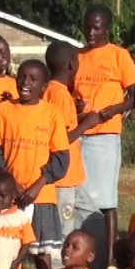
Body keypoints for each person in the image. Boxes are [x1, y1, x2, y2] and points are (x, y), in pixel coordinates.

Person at [0, 59, 70, 269]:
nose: (25, 82)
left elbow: (60, 158)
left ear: (43, 86)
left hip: (40, 196)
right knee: (6, 247)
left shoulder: (52, 114)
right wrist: (11, 183)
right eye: (21, 76)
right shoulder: (4, 110)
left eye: (32, 79)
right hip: (9, 196)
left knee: (41, 253)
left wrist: (37, 186)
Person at [73, 3, 135, 269]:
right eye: (87, 27)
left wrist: (112, 110)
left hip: (105, 135)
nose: (91, 32)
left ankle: (110, 259)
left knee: (106, 200)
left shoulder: (118, 55)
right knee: (81, 198)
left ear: (107, 29)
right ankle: (82, 253)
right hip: (78, 135)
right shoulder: (76, 56)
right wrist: (76, 105)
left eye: (96, 27)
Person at [44, 41, 100, 250]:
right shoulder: (60, 94)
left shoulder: (51, 90)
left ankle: (91, 263)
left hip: (72, 177)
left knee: (94, 218)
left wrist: (77, 115)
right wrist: (87, 123)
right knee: (64, 229)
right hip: (64, 179)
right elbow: (60, 138)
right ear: (70, 65)